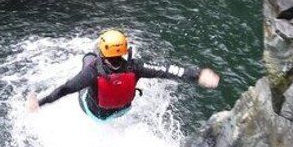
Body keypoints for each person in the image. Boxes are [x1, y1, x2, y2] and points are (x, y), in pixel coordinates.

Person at [26, 29, 220, 121]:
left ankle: (90, 54)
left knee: (87, 58)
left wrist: (40, 103)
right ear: (125, 51)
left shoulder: (92, 71)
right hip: (121, 110)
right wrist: (198, 75)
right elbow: (168, 70)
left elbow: (65, 89)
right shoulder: (136, 67)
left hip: (94, 113)